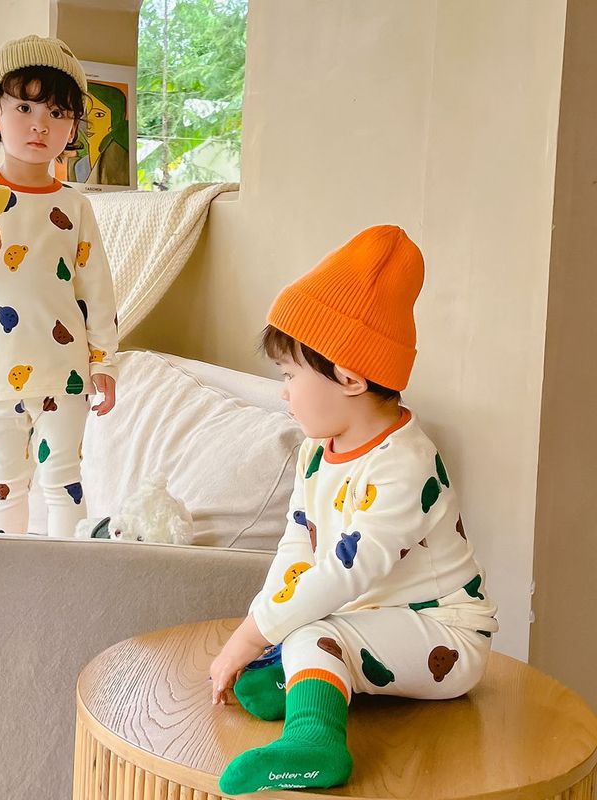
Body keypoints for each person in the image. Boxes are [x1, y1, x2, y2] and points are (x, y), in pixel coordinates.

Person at [209, 225, 498, 794]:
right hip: (374, 622)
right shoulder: (318, 452)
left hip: (444, 638)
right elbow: (299, 546)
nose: (283, 391)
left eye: (289, 375)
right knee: (305, 626)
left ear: (347, 376)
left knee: (317, 630)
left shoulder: (405, 465)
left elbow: (345, 571)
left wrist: (251, 636)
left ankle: (314, 744)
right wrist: (266, 623)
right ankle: (308, 680)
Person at [0, 35, 118, 537]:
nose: (40, 124)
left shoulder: (76, 207)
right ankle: (6, 569)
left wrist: (104, 363)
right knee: (6, 483)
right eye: (25, 107)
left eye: (57, 112)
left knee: (64, 481)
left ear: (73, 128)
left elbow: (97, 292)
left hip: (66, 375)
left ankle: (67, 571)